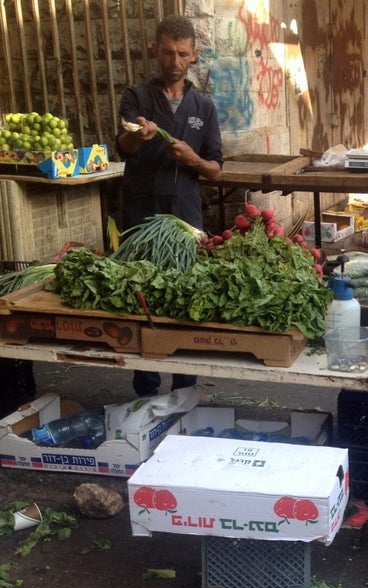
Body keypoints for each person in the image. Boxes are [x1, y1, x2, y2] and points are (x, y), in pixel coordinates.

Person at [116, 14, 223, 397]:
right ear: (155, 52)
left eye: (181, 54)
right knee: (140, 299)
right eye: (167, 53)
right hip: (141, 214)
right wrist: (139, 138)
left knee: (184, 299)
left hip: (185, 216)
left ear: (194, 55)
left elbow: (215, 169)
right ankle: (145, 390)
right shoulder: (137, 97)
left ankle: (184, 389)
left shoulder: (204, 107)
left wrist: (193, 160)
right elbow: (122, 146)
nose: (174, 62)